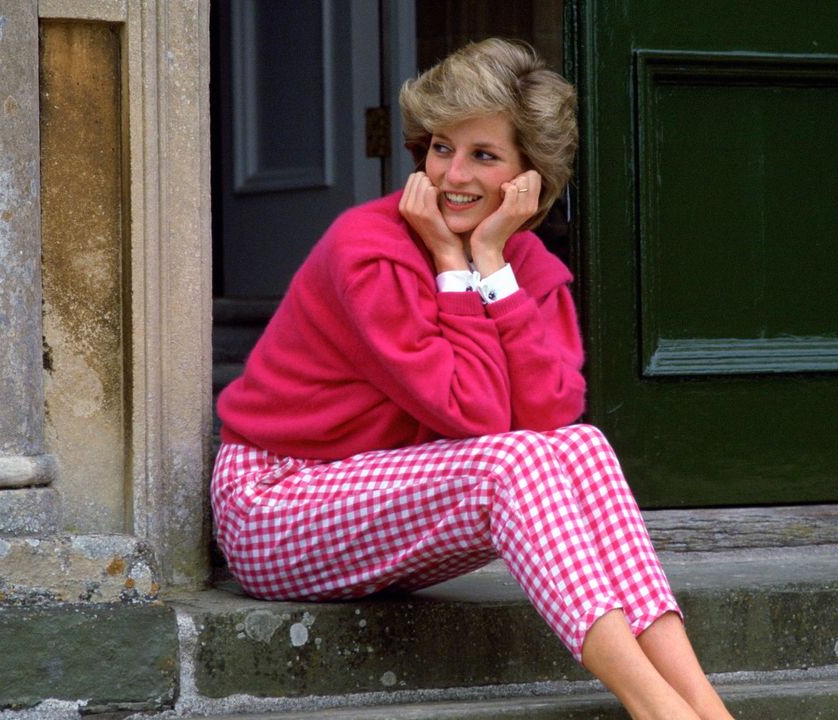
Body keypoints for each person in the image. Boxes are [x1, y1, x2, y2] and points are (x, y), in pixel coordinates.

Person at [211, 38, 736, 720]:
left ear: (529, 177)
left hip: (385, 499)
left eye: (483, 156)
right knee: (509, 463)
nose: (451, 174)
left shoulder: (524, 267)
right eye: (439, 147)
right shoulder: (367, 250)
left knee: (584, 447)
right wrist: (454, 266)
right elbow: (478, 414)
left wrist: (490, 261)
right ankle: (654, 710)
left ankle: (707, 709)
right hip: (275, 504)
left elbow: (551, 414)